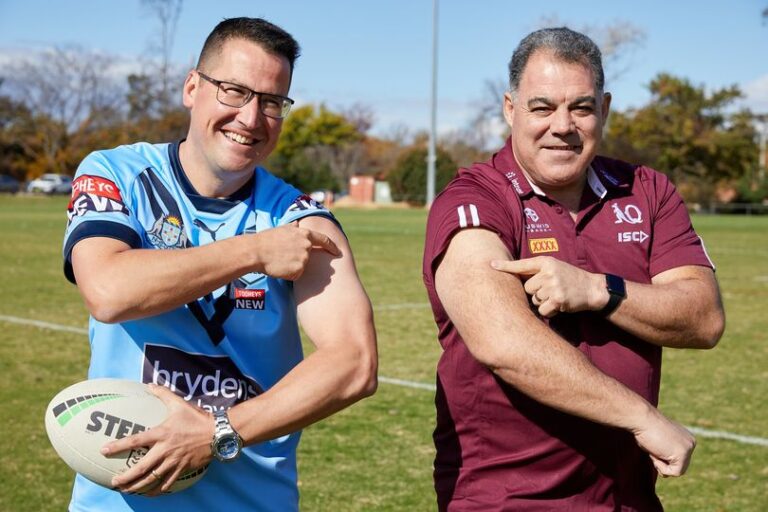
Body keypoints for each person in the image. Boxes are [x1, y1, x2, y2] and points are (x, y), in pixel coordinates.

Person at [62, 17, 377, 512]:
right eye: (234, 91)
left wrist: (217, 433)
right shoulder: (115, 174)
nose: (251, 118)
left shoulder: (302, 219)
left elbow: (354, 363)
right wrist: (252, 251)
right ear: (193, 87)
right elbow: (107, 290)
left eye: (272, 102)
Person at [422, 27, 725, 511]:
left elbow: (704, 318)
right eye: (542, 107)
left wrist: (599, 290)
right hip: (509, 500)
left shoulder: (647, 191)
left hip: (628, 496)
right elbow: (503, 342)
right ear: (510, 108)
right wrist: (641, 418)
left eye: (580, 108)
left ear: (603, 109)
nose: (562, 125)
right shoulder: (475, 199)